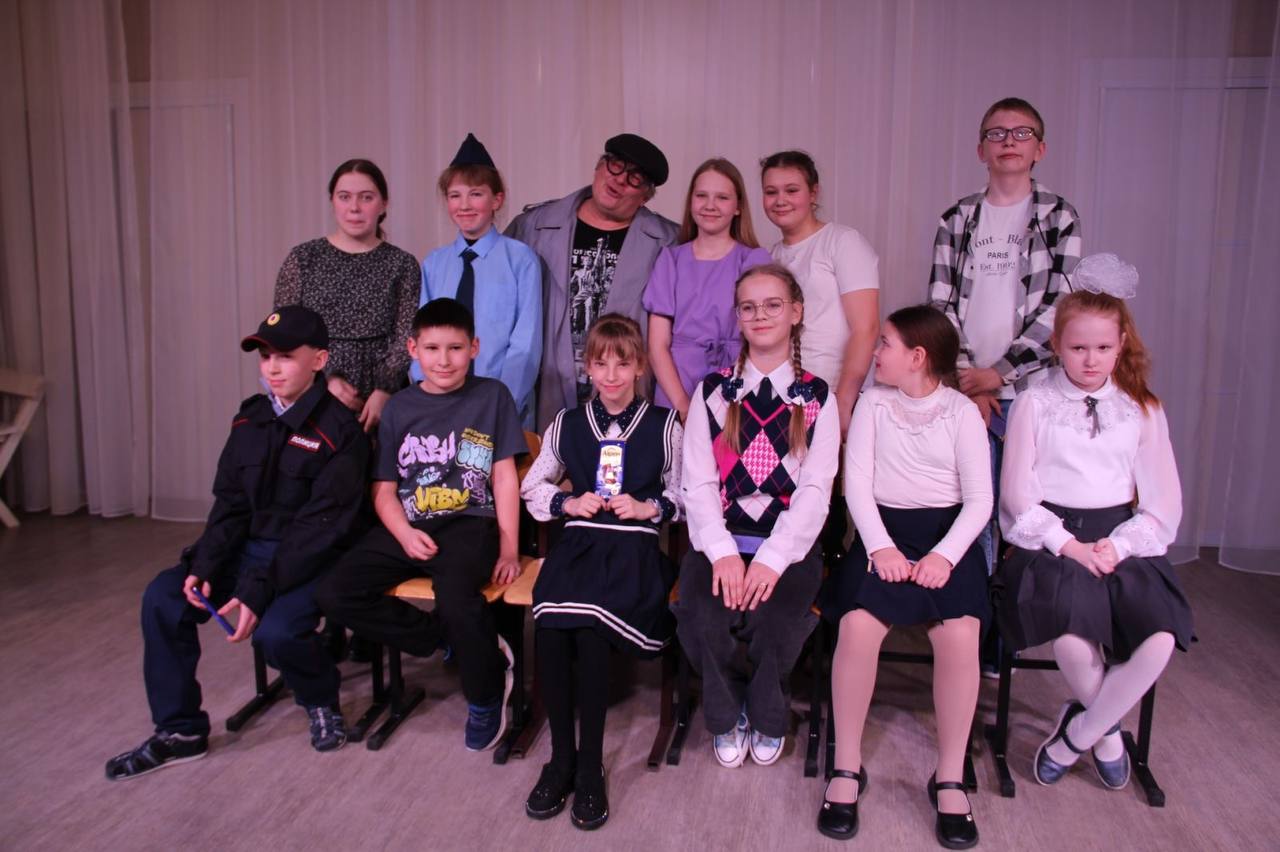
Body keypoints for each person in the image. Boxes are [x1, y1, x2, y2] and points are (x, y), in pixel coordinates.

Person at [104, 306, 370, 779]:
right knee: (164, 598)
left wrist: (257, 590)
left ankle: (320, 699)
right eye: (265, 357)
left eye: (285, 356)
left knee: (276, 633)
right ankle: (181, 732)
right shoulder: (249, 420)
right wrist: (204, 566)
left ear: (318, 360)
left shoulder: (342, 434)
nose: (272, 368)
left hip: (313, 559)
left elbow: (318, 532)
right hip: (250, 553)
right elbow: (229, 506)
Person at [995, 254, 1192, 792]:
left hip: (1120, 536)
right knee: (1070, 633)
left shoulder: (1142, 408)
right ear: (1058, 345)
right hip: (1051, 540)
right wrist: (1069, 545)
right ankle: (1105, 738)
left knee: (1160, 637)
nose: (1090, 360)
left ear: (1121, 344)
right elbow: (1016, 495)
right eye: (1078, 348)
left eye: (1103, 348)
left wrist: (1119, 547)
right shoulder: (1034, 403)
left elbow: (1163, 500)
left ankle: (1077, 734)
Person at [314, 298, 527, 751]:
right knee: (334, 591)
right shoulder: (399, 408)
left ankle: (486, 695)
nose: (443, 360)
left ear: (474, 348)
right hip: (409, 523)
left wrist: (509, 546)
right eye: (432, 348)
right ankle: (445, 639)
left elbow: (505, 477)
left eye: (455, 348)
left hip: (469, 522)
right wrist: (404, 533)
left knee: (457, 597)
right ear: (413, 349)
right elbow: (383, 488)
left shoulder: (492, 397)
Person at [817, 305, 990, 847]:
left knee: (960, 635)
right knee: (857, 628)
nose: (875, 353)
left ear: (917, 357)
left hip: (946, 538)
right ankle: (846, 767)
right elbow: (857, 487)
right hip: (883, 534)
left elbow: (980, 500)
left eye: (884, 344)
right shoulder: (873, 404)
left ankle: (950, 776)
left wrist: (945, 556)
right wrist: (881, 547)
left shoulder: (962, 412)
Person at [519, 314, 683, 830]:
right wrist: (568, 502)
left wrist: (650, 507)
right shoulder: (567, 423)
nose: (611, 375)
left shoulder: (664, 425)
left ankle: (589, 765)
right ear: (587, 367)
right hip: (579, 545)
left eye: (623, 363)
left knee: (589, 627)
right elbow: (532, 486)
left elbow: (687, 492)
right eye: (600, 363)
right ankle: (560, 760)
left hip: (633, 549)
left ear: (640, 368)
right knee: (551, 624)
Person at [676, 263, 839, 769]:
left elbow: (815, 491)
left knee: (775, 622)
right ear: (738, 317)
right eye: (748, 307)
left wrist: (771, 559)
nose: (760, 315)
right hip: (721, 536)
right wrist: (723, 553)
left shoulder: (817, 397)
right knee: (705, 616)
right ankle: (727, 713)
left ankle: (768, 712)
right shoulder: (712, 392)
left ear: (796, 312)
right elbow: (698, 483)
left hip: (788, 543)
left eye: (772, 305)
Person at [927, 97, 1082, 576]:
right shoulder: (957, 218)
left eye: (1021, 133)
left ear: (1040, 149)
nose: (1008, 141)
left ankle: (1014, 607)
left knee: (1023, 502)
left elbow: (1060, 306)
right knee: (972, 499)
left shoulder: (1058, 216)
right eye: (996, 133)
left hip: (1030, 388)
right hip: (966, 386)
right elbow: (940, 303)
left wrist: (999, 373)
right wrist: (968, 379)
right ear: (981, 149)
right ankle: (976, 602)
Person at [505, 133, 679, 428]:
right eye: (616, 165)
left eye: (635, 178)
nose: (620, 179)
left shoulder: (669, 243)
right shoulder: (532, 227)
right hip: (546, 393)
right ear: (599, 166)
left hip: (627, 398)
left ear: (646, 196)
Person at [275, 158, 421, 432]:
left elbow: (407, 334)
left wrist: (384, 390)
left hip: (384, 402)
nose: (354, 207)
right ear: (332, 201)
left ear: (383, 204)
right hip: (314, 394)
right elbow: (285, 333)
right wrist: (324, 379)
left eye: (366, 197)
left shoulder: (402, 264)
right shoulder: (303, 259)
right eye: (345, 197)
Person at [414, 133, 542, 428]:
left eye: (475, 194)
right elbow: (423, 336)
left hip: (499, 407)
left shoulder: (520, 260)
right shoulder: (435, 264)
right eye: (455, 195)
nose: (465, 205)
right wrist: (427, 396)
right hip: (440, 408)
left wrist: (501, 405)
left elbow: (525, 343)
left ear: (497, 199)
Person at [643, 158, 772, 420]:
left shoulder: (752, 260)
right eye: (701, 195)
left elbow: (763, 339)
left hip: (738, 382)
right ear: (691, 201)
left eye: (722, 197)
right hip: (676, 384)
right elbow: (657, 345)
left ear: (738, 207)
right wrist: (683, 405)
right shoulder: (671, 260)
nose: (710, 205)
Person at [761, 150, 879, 434]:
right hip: (786, 395)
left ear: (813, 193)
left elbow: (866, 328)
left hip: (834, 392)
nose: (780, 200)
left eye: (791, 190)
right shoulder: (770, 256)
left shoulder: (842, 242)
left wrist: (844, 401)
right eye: (771, 192)